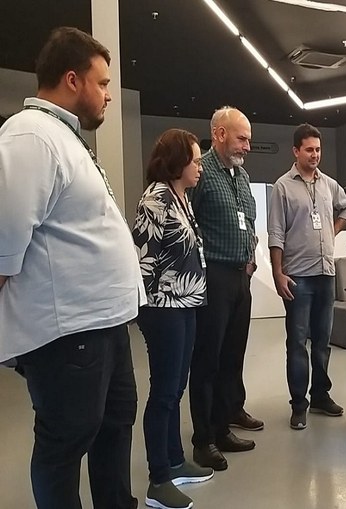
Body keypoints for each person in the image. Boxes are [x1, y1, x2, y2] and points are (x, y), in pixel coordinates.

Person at [0, 27, 143, 509]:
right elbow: (5, 239)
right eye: (102, 83)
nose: (108, 95)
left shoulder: (63, 137)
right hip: (68, 331)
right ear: (72, 80)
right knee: (66, 441)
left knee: (115, 423)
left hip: (104, 323)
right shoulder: (31, 136)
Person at [133, 129, 214, 509]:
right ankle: (159, 478)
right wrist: (145, 308)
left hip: (186, 304)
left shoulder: (182, 197)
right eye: (195, 161)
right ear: (177, 162)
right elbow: (144, 259)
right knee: (164, 392)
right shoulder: (156, 198)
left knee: (175, 389)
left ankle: (177, 461)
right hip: (162, 308)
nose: (200, 167)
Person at [268, 123, 346, 430]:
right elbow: (276, 233)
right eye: (309, 150)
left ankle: (320, 395)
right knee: (297, 342)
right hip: (298, 276)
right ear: (296, 151)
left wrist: (333, 230)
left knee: (322, 341)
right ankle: (298, 404)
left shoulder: (329, 184)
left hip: (325, 273)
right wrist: (278, 273)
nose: (315, 155)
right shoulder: (282, 187)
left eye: (318, 149)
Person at [188, 107, 260, 471]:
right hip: (213, 277)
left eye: (248, 140)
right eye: (241, 138)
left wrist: (251, 252)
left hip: (240, 277)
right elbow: (189, 222)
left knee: (232, 355)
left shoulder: (241, 175)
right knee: (208, 360)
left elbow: (248, 220)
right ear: (219, 134)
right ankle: (204, 440)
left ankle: (223, 426)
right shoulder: (200, 172)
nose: (247, 146)